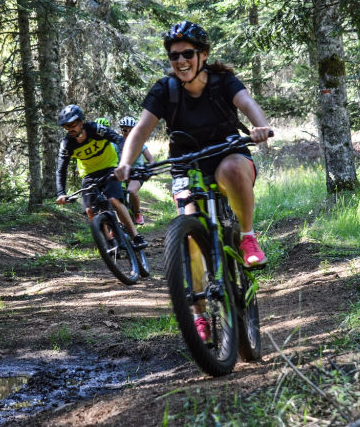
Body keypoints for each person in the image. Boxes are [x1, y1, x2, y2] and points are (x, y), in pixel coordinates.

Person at [115, 21, 272, 340]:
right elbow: (141, 129)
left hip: (228, 154)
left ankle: (247, 236)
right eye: (174, 56)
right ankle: (199, 314)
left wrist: (260, 127)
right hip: (186, 163)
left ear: (203, 54)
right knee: (188, 233)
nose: (181, 61)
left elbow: (246, 103)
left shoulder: (222, 81)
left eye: (188, 53)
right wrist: (125, 164)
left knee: (229, 170)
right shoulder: (165, 90)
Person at [55, 105, 146, 250]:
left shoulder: (95, 129)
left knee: (114, 200)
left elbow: (118, 140)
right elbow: (61, 170)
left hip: (109, 166)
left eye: (72, 124)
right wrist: (61, 193)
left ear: (81, 122)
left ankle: (136, 236)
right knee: (90, 210)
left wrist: (124, 163)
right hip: (88, 174)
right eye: (66, 126)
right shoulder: (67, 144)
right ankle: (108, 241)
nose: (70, 128)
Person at [118, 116, 154, 225]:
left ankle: (138, 213)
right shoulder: (116, 143)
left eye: (131, 130)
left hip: (137, 173)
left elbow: (150, 159)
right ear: (121, 130)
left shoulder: (139, 142)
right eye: (125, 130)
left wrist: (150, 168)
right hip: (121, 173)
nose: (127, 132)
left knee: (131, 191)